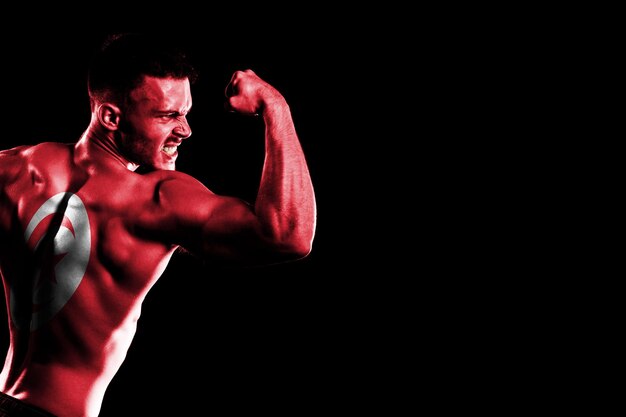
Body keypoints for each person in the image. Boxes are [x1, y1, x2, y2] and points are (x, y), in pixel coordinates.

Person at [0, 33, 316, 417]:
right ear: (111, 117)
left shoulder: (16, 168)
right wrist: (275, 107)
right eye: (168, 116)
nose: (185, 130)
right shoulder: (154, 199)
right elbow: (288, 234)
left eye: (185, 114)